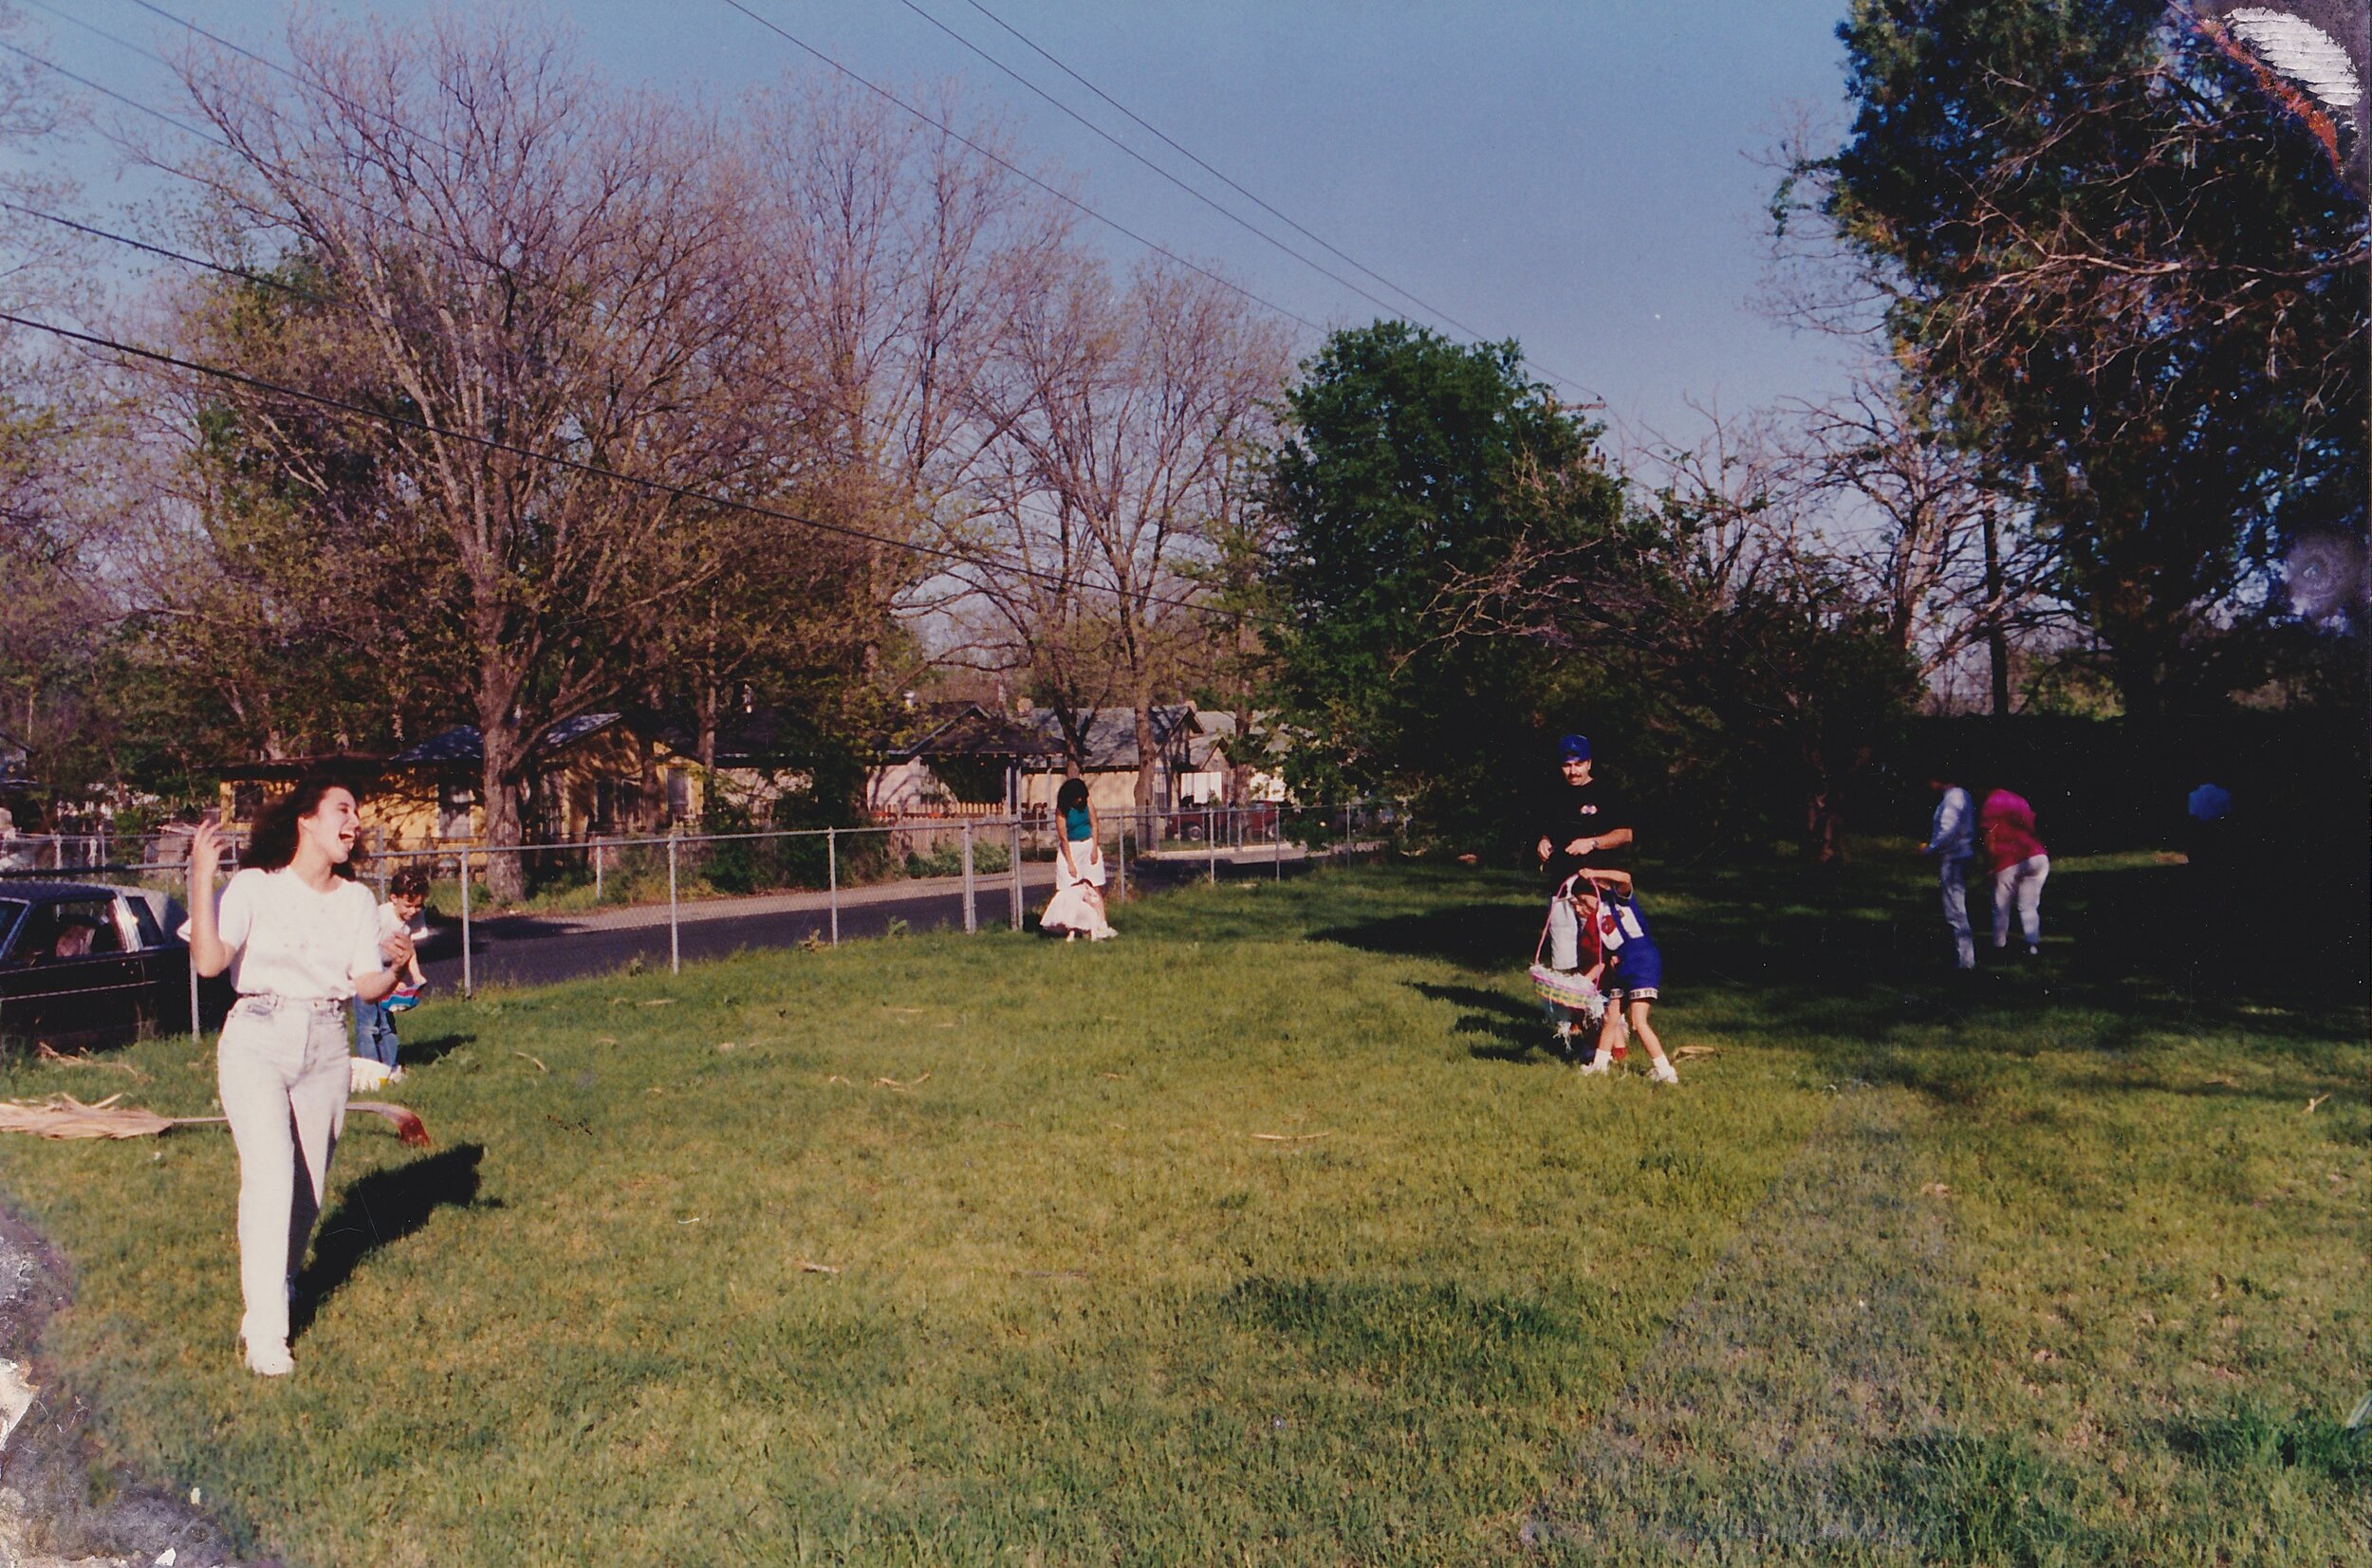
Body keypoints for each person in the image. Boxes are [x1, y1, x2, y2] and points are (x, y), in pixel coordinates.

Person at [178, 777, 414, 1377]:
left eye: (358, 812)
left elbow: (365, 987)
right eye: (344, 808)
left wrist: (396, 965)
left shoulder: (357, 901)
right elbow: (209, 963)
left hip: (326, 1044)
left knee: (307, 1195)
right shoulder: (255, 886)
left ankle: (278, 1283)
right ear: (306, 820)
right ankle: (265, 1335)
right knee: (270, 1179)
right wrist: (201, 877)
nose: (356, 821)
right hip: (257, 1037)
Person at [1534, 733, 1636, 1047]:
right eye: (1567, 765)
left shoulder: (1606, 792)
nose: (1573, 771)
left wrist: (1592, 843)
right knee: (1563, 958)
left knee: (1598, 955)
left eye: (1578, 764)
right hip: (1561, 887)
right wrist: (1543, 841)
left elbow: (1626, 834)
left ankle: (1609, 1021)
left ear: (1589, 763)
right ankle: (1572, 1024)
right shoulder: (1554, 795)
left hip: (1595, 887)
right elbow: (1548, 828)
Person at [1574, 869, 1679, 1084]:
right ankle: (1600, 1065)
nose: (1580, 908)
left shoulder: (1619, 900)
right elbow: (1606, 956)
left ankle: (1665, 1071)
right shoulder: (1599, 918)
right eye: (1576, 904)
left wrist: (1594, 873)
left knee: (1638, 1022)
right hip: (1623, 968)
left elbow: (1626, 878)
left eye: (1584, 901)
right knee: (1610, 1018)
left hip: (1642, 963)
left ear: (1598, 889)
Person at [353, 868, 430, 1083]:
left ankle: (390, 1067)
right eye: (408, 905)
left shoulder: (415, 916)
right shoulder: (380, 916)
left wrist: (416, 976)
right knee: (369, 1024)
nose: (414, 911)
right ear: (394, 898)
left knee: (387, 1023)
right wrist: (389, 980)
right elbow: (364, 950)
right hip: (364, 969)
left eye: (418, 905)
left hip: (387, 968)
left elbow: (409, 947)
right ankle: (371, 1074)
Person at [1041, 776, 1116, 941]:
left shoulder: (1087, 801)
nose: (1080, 800)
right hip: (1071, 849)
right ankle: (1072, 927)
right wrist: (1070, 863)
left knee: (1094, 887)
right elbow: (1063, 838)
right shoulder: (1062, 809)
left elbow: (1094, 823)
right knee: (1070, 890)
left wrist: (1094, 848)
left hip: (1088, 845)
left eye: (1082, 796)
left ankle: (1101, 924)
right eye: (1077, 797)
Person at [1979, 786, 2049, 958]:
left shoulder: (1991, 802)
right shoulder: (2019, 800)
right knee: (2029, 905)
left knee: (2000, 906)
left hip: (2008, 859)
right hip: (2036, 855)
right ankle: (2032, 946)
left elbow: (1990, 836)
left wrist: (1989, 866)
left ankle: (1998, 947)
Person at [1920, 775, 1978, 971]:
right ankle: (1963, 957)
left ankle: (1965, 960)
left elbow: (1948, 830)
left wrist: (1929, 849)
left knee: (1955, 909)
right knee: (1957, 907)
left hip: (1953, 858)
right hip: (1963, 855)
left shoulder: (1951, 799)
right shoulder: (1964, 795)